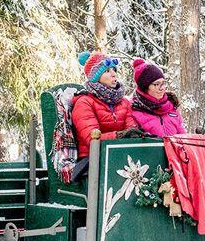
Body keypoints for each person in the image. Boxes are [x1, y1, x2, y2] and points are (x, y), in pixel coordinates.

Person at [70, 52, 141, 181]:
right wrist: (120, 135)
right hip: (92, 160)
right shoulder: (84, 102)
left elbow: (131, 127)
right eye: (107, 71)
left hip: (119, 156)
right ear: (96, 77)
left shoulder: (124, 102)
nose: (114, 74)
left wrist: (135, 135)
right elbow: (92, 139)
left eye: (114, 69)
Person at [130, 58, 185, 137]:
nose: (162, 88)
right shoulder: (133, 111)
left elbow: (183, 138)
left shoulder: (172, 109)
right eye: (156, 84)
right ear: (144, 87)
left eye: (163, 83)